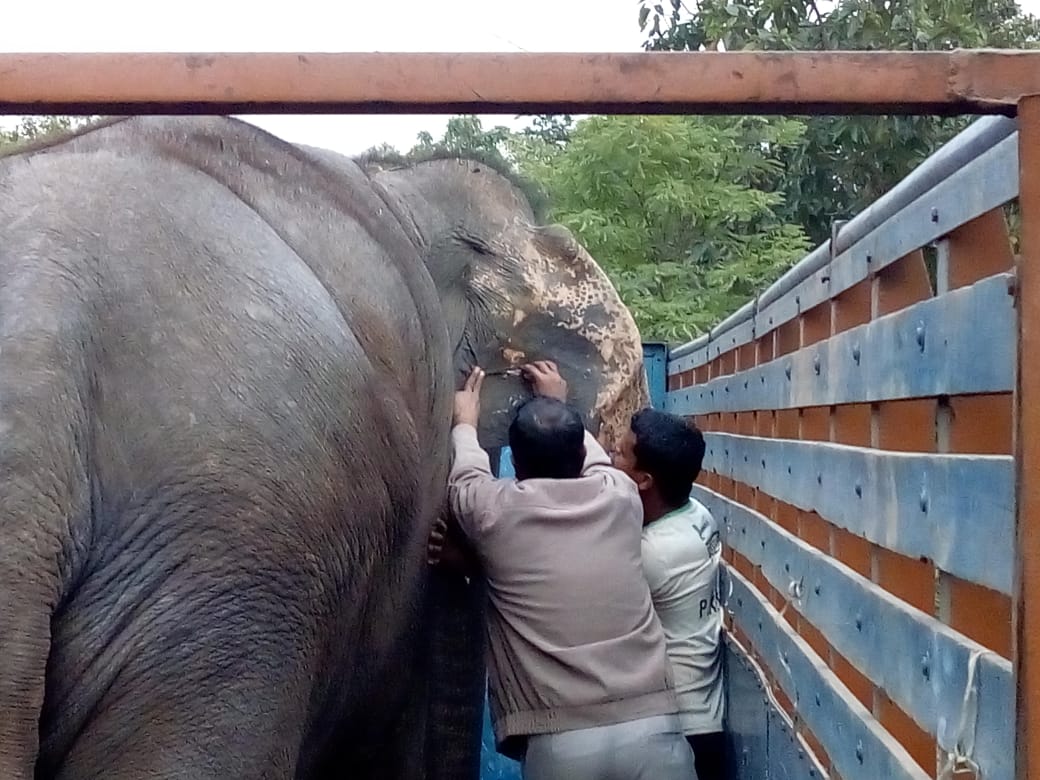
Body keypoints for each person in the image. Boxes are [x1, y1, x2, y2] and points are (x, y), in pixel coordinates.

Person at [440, 361, 697, 780]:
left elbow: (466, 478)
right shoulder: (621, 496)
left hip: (561, 743)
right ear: (580, 455)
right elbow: (596, 460)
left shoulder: (492, 512)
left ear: (515, 464)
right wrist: (557, 402)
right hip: (655, 729)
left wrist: (465, 423)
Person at [612, 408, 726, 780]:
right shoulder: (695, 513)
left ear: (644, 480)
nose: (611, 456)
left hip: (680, 728)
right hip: (700, 713)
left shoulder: (654, 553)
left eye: (620, 453)